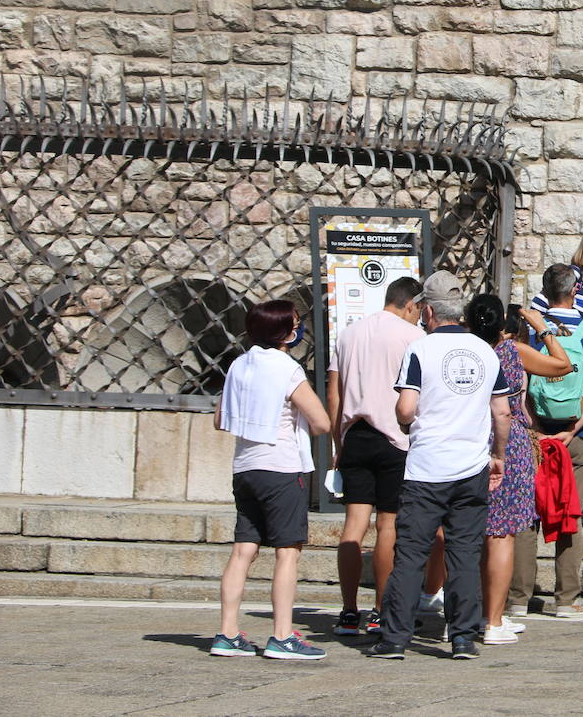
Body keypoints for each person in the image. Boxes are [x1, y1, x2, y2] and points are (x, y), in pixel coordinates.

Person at [366, 272, 512, 661]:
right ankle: (463, 636)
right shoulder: (486, 353)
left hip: (427, 467)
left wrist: (405, 420)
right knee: (464, 553)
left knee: (411, 553)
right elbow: (502, 411)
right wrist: (497, 454)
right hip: (471, 465)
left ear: (428, 311)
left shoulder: (419, 350)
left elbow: (406, 407)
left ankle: (394, 638)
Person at [211, 299, 330, 660]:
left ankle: (227, 632)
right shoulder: (287, 369)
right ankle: (281, 634)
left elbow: (219, 419)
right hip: (280, 466)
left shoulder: (239, 365)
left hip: (245, 466)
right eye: (294, 323)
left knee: (243, 549)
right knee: (287, 552)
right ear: (285, 332)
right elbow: (321, 422)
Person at [466, 296, 570, 645]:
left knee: (475, 533)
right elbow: (562, 365)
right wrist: (542, 327)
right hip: (508, 443)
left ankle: (477, 613)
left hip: (470, 439)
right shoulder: (511, 352)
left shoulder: (467, 351)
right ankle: (493, 619)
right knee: (502, 534)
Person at [326, 276, 425, 637]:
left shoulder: (349, 333)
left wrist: (339, 443)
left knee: (353, 525)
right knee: (388, 526)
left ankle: (348, 610)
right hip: (394, 438)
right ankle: (382, 609)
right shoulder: (413, 337)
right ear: (411, 304)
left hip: (355, 435)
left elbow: (334, 393)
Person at [521, 263, 583, 619]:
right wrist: (574, 429)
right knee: (568, 513)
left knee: (529, 516)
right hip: (575, 434)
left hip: (536, 434)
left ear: (546, 291)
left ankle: (517, 597)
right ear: (576, 290)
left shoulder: (532, 334)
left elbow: (522, 387)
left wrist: (532, 427)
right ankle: (566, 599)